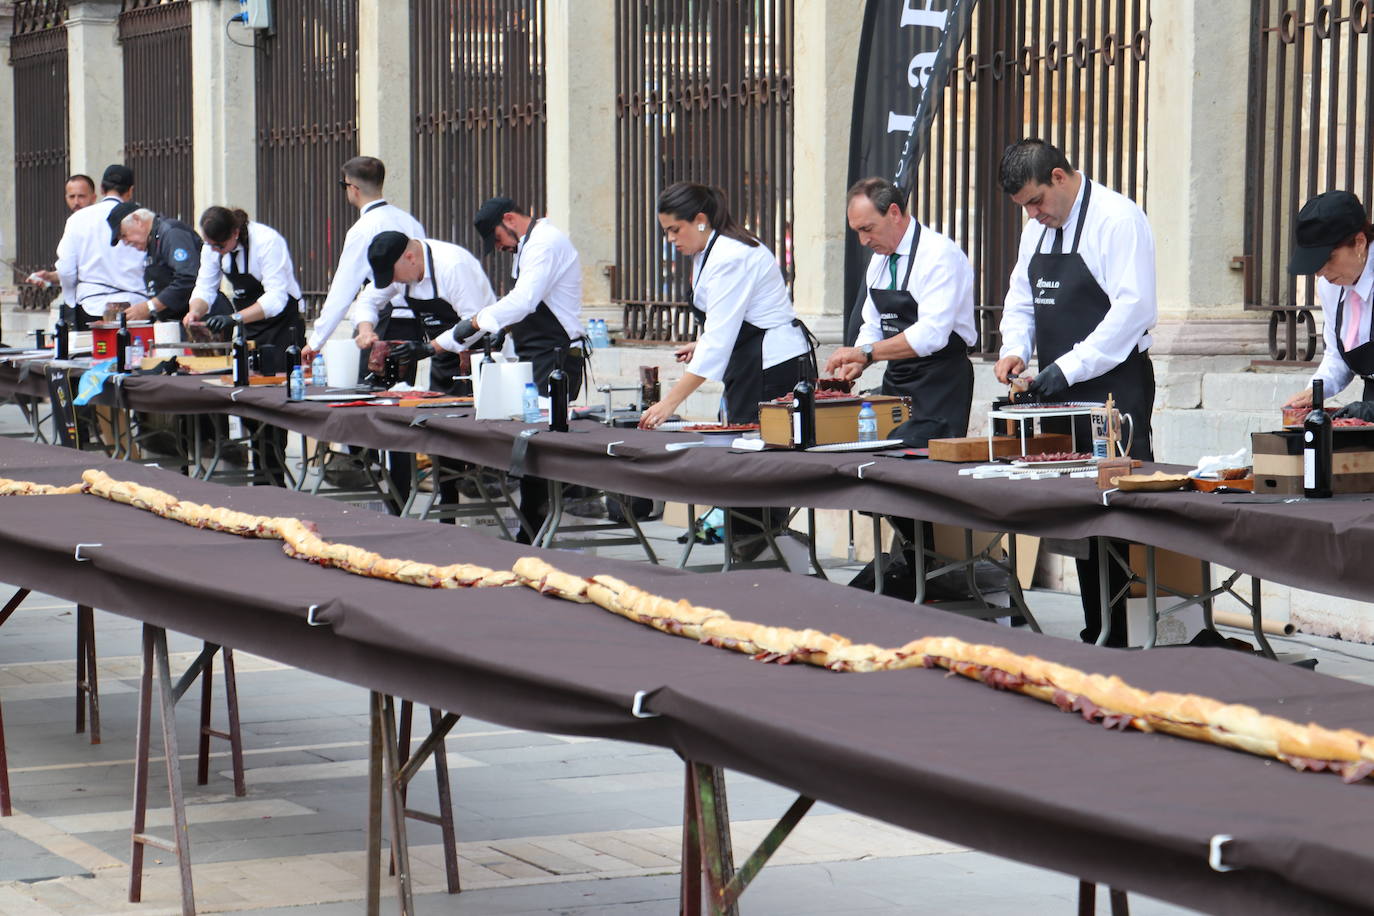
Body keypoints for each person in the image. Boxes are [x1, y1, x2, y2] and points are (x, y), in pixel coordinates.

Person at [995, 138, 1158, 648]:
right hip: (1059, 386)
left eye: (1037, 201)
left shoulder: (1118, 220)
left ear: (1060, 177)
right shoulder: (1036, 230)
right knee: (1077, 510)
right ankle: (1097, 629)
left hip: (1114, 386)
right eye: (1024, 207)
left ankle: (1126, 633)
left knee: (1116, 509)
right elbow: (1021, 298)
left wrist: (1067, 367)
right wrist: (1014, 348)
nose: (1033, 214)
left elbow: (1132, 311)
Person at [638, 182, 813, 429]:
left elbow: (720, 338)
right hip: (751, 361)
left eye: (675, 229)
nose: (670, 238)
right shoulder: (709, 251)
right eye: (666, 231)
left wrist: (668, 403)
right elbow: (734, 321)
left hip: (771, 366)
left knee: (761, 447)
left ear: (700, 219)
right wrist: (702, 344)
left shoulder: (730, 256)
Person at [825, 176, 976, 443]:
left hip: (941, 384)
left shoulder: (939, 255)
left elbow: (931, 335)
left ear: (894, 213)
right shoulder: (878, 262)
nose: (863, 240)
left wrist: (866, 352)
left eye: (867, 228)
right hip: (897, 381)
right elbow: (873, 323)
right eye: (857, 231)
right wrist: (857, 361)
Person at [437, 197, 587, 396]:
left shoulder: (544, 243)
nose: (498, 247)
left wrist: (475, 322)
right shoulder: (527, 245)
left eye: (497, 238)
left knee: (543, 419)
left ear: (509, 219)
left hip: (556, 353)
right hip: (536, 350)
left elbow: (523, 301)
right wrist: (505, 329)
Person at [302, 156, 425, 363]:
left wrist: (316, 341)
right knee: (402, 393)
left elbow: (343, 290)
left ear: (353, 187)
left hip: (378, 323)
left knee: (368, 392)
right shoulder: (410, 221)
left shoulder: (362, 229)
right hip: (412, 324)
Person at [359, 231, 507, 392]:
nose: (392, 281)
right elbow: (368, 299)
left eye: (392, 275)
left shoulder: (453, 266)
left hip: (479, 356)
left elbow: (475, 323)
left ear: (410, 258)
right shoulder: (400, 268)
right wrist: (365, 330)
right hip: (442, 358)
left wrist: (429, 348)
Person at [1282, 191, 1374, 418]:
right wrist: (1315, 391)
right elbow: (1337, 356)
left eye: (1327, 259)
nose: (1321, 272)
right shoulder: (1331, 286)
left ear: (1359, 243)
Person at [184, 206, 304, 375]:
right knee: (247, 375)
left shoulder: (267, 241)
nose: (213, 250)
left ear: (235, 233)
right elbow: (205, 287)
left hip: (282, 323)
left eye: (219, 246)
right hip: (249, 324)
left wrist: (235, 318)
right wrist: (194, 312)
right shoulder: (211, 247)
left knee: (279, 377)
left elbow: (276, 298)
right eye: (209, 244)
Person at [51, 164, 145, 329]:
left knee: (93, 353)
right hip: (136, 307)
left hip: (91, 305)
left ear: (101, 190)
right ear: (130, 191)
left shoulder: (77, 219)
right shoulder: (142, 218)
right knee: (135, 353)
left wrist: (71, 298)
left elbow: (66, 269)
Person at [109, 204, 203, 324]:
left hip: (200, 319)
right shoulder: (152, 241)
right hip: (177, 321)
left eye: (124, 235)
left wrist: (149, 307)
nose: (126, 243)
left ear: (137, 220)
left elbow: (188, 278)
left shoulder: (171, 233)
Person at [25, 175, 97, 290]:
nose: (76, 202)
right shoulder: (73, 223)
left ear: (93, 197)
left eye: (81, 196)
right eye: (71, 196)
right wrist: (50, 276)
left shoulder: (100, 224)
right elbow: (72, 269)